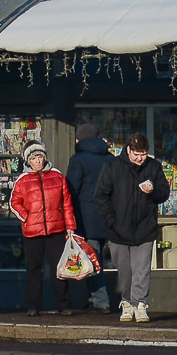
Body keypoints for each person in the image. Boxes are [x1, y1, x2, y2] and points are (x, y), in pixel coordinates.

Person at [94, 132, 170, 323]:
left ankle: (140, 304)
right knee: (125, 272)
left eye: (143, 154)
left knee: (141, 271)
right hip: (118, 230)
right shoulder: (113, 167)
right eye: (136, 153)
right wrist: (110, 221)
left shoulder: (153, 167)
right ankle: (127, 303)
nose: (139, 158)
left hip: (145, 229)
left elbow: (164, 193)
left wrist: (153, 191)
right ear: (128, 150)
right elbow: (101, 196)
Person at [10, 141, 77, 316]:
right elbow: (14, 203)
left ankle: (64, 305)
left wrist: (70, 226)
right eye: (34, 158)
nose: (38, 161)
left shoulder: (57, 176)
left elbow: (67, 203)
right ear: (28, 161)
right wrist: (27, 217)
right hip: (32, 231)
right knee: (33, 269)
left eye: (40, 157)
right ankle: (33, 306)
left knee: (60, 268)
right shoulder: (22, 180)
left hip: (56, 229)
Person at [65, 122, 115, 313]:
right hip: (108, 217)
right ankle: (95, 298)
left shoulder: (78, 160)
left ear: (80, 140)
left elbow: (71, 190)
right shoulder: (111, 159)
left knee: (93, 259)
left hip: (86, 219)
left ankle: (101, 301)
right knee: (98, 257)